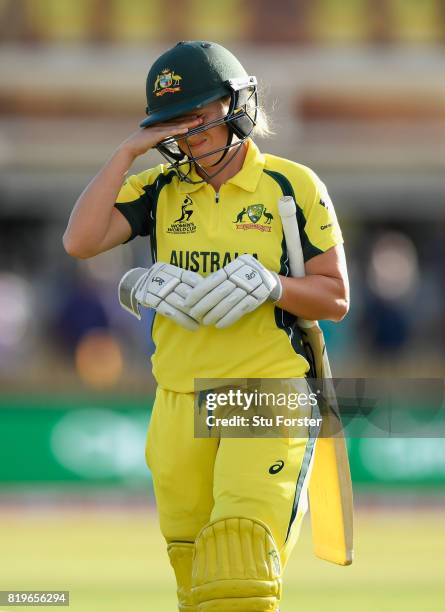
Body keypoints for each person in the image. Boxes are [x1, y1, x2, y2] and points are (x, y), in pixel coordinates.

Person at [63, 41, 349, 612]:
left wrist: (273, 286)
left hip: (264, 392)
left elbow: (335, 297)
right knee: (194, 579)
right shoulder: (161, 190)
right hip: (178, 396)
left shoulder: (291, 187)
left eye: (201, 120)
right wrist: (127, 153)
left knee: (238, 572)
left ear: (239, 106)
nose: (190, 140)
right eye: (177, 126)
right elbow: (80, 241)